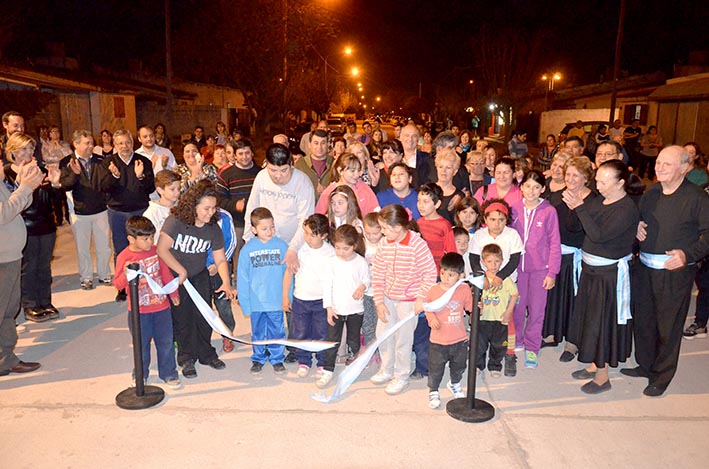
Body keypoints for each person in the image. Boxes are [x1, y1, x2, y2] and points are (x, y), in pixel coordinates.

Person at [626, 146, 709, 396]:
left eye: (667, 164)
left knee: (668, 326)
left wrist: (687, 255)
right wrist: (637, 227)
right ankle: (646, 364)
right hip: (645, 268)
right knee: (644, 320)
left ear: (684, 168)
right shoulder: (651, 193)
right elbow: (639, 221)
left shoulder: (698, 198)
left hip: (674, 272)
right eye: (659, 162)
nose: (659, 167)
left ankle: (662, 375)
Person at [563, 160, 639, 394]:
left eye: (604, 182)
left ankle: (603, 376)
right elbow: (576, 228)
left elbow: (597, 235)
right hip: (590, 271)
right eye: (597, 181)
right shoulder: (598, 201)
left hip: (608, 276)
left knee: (601, 323)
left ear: (621, 183)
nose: (599, 186)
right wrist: (575, 206)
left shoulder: (626, 209)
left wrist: (581, 208)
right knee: (588, 319)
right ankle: (596, 363)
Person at [157, 180, 236, 379]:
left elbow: (220, 259)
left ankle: (206, 353)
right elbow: (162, 249)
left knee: (204, 316)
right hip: (178, 277)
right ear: (194, 205)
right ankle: (186, 357)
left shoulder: (213, 228)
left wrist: (226, 282)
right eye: (206, 208)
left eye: (213, 208)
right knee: (183, 318)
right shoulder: (176, 221)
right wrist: (180, 271)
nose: (210, 213)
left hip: (199, 275)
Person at [371, 204, 437, 395]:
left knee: (403, 340)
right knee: (383, 335)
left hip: (408, 301)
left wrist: (420, 299)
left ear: (398, 227)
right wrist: (379, 301)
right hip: (388, 298)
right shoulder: (385, 244)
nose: (382, 232)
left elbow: (430, 273)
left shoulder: (417, 244)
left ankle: (401, 376)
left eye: (384, 228)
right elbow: (378, 273)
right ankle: (387, 369)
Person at [113, 216, 181, 389]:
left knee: (165, 342)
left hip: (161, 307)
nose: (150, 241)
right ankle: (140, 374)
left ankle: (169, 373)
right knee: (140, 344)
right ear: (131, 239)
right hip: (139, 311)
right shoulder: (124, 256)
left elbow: (165, 273)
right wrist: (126, 273)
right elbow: (117, 284)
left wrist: (173, 292)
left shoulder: (157, 251)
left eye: (151, 237)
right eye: (145, 239)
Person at [4, 132, 61, 323]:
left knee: (44, 266)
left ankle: (45, 301)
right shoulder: (7, 173)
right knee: (28, 267)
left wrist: (55, 185)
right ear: (12, 152)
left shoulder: (40, 169)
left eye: (30, 148)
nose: (28, 153)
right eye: (23, 149)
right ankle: (29, 304)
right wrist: (21, 182)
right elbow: (12, 202)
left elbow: (53, 200)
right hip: (24, 226)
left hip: (46, 223)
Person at [544, 156, 596, 361]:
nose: (571, 179)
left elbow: (582, 228)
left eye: (576, 175)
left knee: (576, 301)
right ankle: (552, 333)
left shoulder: (593, 200)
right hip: (558, 254)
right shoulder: (558, 196)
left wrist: (578, 206)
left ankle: (572, 343)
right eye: (568, 174)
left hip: (579, 257)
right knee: (555, 298)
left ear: (586, 177)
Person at [0, 138, 44, 376]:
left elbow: (16, 206)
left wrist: (27, 186)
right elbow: (3, 213)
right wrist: (25, 187)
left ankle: (6, 358)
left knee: (8, 311)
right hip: (1, 258)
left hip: (10, 255)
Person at [510, 170, 561, 369]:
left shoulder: (549, 211)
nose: (531, 190)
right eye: (528, 186)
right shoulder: (513, 208)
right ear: (521, 187)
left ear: (543, 189)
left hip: (540, 269)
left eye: (536, 187)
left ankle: (532, 347)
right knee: (517, 307)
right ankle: (518, 340)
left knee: (537, 310)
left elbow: (555, 243)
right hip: (518, 269)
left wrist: (552, 272)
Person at [101, 129, 155, 302]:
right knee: (121, 249)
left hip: (139, 211)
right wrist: (114, 176)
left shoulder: (143, 162)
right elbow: (103, 187)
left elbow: (151, 188)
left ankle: (145, 280)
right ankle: (122, 287)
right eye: (120, 143)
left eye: (127, 142)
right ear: (115, 145)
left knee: (143, 247)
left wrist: (140, 177)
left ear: (133, 143)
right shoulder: (108, 162)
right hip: (117, 212)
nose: (124, 146)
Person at [237, 207, 289, 375]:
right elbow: (242, 278)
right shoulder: (247, 250)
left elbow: (288, 274)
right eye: (264, 228)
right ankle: (258, 357)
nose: (270, 231)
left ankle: (277, 358)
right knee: (258, 332)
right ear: (254, 229)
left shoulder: (281, 246)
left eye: (272, 227)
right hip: (256, 301)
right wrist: (245, 303)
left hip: (275, 300)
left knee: (277, 330)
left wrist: (287, 297)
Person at [318, 224, 371, 388]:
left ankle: (354, 365)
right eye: (338, 248)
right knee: (332, 341)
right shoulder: (331, 262)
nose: (341, 252)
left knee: (354, 340)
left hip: (355, 310)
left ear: (354, 246)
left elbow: (367, 280)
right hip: (336, 310)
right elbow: (327, 286)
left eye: (345, 249)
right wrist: (328, 308)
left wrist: (362, 287)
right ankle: (328, 371)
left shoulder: (361, 262)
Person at [283, 214, 334, 379]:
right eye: (305, 233)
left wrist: (331, 304)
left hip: (321, 301)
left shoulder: (331, 253)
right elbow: (288, 273)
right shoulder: (300, 250)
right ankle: (303, 361)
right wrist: (285, 296)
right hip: (300, 300)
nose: (307, 238)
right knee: (301, 332)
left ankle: (321, 362)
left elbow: (334, 280)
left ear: (324, 236)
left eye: (313, 235)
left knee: (322, 333)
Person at [60, 130, 112, 290]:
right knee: (82, 248)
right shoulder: (66, 162)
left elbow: (105, 183)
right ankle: (86, 277)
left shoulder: (100, 160)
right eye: (87, 143)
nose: (91, 146)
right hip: (79, 212)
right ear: (76, 144)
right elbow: (65, 185)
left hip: (100, 210)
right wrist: (75, 175)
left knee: (103, 246)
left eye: (92, 143)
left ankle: (104, 274)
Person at [424, 252, 474, 408]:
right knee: (436, 367)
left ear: (460, 276)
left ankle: (454, 383)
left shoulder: (464, 289)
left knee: (459, 365)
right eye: (443, 272)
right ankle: (433, 390)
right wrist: (432, 319)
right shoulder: (434, 290)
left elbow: (470, 307)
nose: (445, 277)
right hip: (439, 340)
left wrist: (478, 307)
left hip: (459, 338)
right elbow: (428, 308)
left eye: (451, 274)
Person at [478, 244, 519, 378]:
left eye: (497, 261)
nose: (493, 265)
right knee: (480, 345)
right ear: (483, 262)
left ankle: (495, 365)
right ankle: (478, 365)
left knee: (498, 345)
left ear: (502, 261)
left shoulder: (505, 279)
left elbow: (514, 294)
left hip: (500, 319)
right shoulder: (480, 280)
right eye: (489, 261)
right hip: (483, 319)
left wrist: (508, 312)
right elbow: (472, 296)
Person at [217, 139, 260, 259]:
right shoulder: (226, 175)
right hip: (237, 224)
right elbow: (219, 200)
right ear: (235, 155)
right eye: (240, 154)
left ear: (252, 153)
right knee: (240, 258)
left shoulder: (261, 173)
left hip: (259, 223)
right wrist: (235, 205)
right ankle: (237, 278)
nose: (244, 157)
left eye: (247, 153)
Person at [207, 208, 237, 353]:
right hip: (201, 270)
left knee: (223, 304)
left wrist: (218, 264)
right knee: (203, 305)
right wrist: (204, 265)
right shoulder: (195, 214)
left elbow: (231, 242)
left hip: (220, 268)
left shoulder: (225, 216)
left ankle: (227, 334)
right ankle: (203, 339)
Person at [361, 213, 383, 354]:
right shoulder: (361, 244)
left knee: (381, 324)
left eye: (375, 233)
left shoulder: (385, 244)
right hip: (366, 292)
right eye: (368, 233)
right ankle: (371, 352)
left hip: (382, 293)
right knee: (367, 324)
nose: (371, 237)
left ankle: (382, 352)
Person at [142, 170, 181, 245]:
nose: (177, 193)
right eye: (172, 189)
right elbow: (153, 240)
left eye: (179, 189)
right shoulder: (151, 213)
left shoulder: (183, 207)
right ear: (160, 190)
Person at [295, 129, 333, 199]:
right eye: (316, 143)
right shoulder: (300, 165)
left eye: (323, 143)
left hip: (329, 208)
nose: (319, 147)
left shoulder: (335, 164)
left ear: (328, 145)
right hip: (307, 208)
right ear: (309, 145)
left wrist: (328, 191)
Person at [433, 148, 465, 224]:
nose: (443, 171)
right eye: (440, 167)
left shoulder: (460, 196)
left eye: (448, 168)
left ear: (455, 171)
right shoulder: (427, 190)